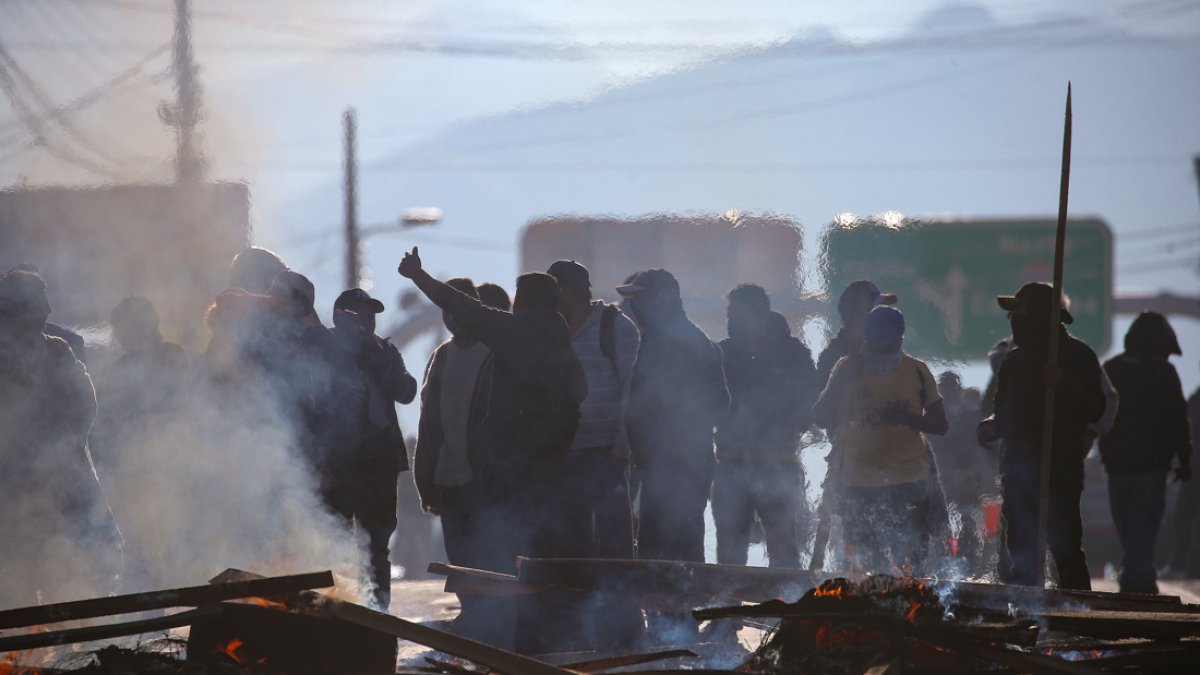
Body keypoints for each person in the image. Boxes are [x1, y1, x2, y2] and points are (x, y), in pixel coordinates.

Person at [398, 247, 586, 572]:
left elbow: (460, 305)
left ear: (523, 301)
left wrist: (417, 275)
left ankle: (498, 618)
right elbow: (578, 396)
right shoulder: (562, 343)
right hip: (552, 472)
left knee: (497, 560)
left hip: (509, 476)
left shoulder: (517, 334)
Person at [978, 282, 1105, 590]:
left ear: (1040, 316)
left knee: (1065, 548)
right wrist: (992, 426)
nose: (1014, 322)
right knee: (1021, 550)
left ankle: (1081, 617)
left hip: (1059, 468)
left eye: (1021, 313)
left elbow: (1095, 409)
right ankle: (1027, 616)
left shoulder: (1077, 355)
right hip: (1018, 471)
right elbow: (1003, 410)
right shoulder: (1015, 360)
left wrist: (1063, 382)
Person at [0, 270, 117, 604]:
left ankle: (76, 645)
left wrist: (65, 445)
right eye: (39, 300)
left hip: (61, 473)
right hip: (15, 482)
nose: (48, 310)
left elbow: (84, 404)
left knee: (75, 565)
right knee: (18, 570)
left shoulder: (56, 350)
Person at [813, 306, 948, 575]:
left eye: (890, 338)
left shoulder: (917, 371)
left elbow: (940, 424)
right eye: (877, 338)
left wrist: (906, 418)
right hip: (859, 485)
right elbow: (820, 416)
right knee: (865, 564)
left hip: (909, 482)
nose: (883, 344)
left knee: (911, 563)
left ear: (900, 338)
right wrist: (843, 388)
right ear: (867, 337)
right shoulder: (848, 369)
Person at [620, 269, 728, 563]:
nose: (633, 307)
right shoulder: (671, 338)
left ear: (662, 298)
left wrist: (667, 436)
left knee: (670, 544)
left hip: (677, 462)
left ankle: (678, 605)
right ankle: (675, 603)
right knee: (670, 540)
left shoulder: (676, 342)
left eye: (639, 298)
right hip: (670, 460)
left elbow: (718, 404)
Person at [326, 288, 418, 610]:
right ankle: (335, 610)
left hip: (379, 462)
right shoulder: (324, 346)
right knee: (333, 540)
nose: (368, 321)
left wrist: (374, 355)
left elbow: (406, 390)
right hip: (335, 463)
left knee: (376, 545)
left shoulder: (384, 351)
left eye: (372, 314)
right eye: (360, 314)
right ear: (340, 317)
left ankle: (377, 613)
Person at [713, 284, 817, 568]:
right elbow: (706, 400)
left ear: (759, 313)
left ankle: (786, 609)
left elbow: (811, 401)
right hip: (730, 463)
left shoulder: (792, 352)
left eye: (735, 313)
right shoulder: (723, 353)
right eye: (729, 313)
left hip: (778, 463)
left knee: (783, 546)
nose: (730, 319)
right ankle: (730, 609)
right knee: (730, 549)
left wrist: (787, 427)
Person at [543, 261, 640, 559]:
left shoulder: (616, 327)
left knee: (614, 540)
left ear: (566, 294)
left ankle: (620, 602)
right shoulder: (550, 331)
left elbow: (632, 391)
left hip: (606, 454)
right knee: (570, 541)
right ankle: (578, 603)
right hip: (562, 455)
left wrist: (621, 450)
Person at [1099, 312, 1192, 594]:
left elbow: (1096, 413)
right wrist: (1184, 459)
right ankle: (1137, 582)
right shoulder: (1163, 373)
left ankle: (1136, 577)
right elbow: (1178, 418)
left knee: (1129, 528)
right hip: (1150, 467)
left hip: (1117, 467)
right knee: (1142, 526)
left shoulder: (1111, 368)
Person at [91, 297, 189, 470]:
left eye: (123, 331)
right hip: (127, 456)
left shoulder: (172, 355)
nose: (120, 338)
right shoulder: (120, 367)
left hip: (165, 452)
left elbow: (178, 405)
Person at [928, 371, 991, 575]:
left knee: (967, 520)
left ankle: (969, 565)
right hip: (943, 475)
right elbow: (932, 442)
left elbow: (978, 441)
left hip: (966, 477)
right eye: (946, 387)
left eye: (953, 386)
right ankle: (942, 566)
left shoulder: (971, 415)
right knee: (940, 523)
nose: (950, 391)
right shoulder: (934, 415)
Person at [816, 280, 897, 389]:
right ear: (854, 315)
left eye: (880, 310)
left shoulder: (886, 350)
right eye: (873, 311)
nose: (880, 316)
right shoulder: (832, 357)